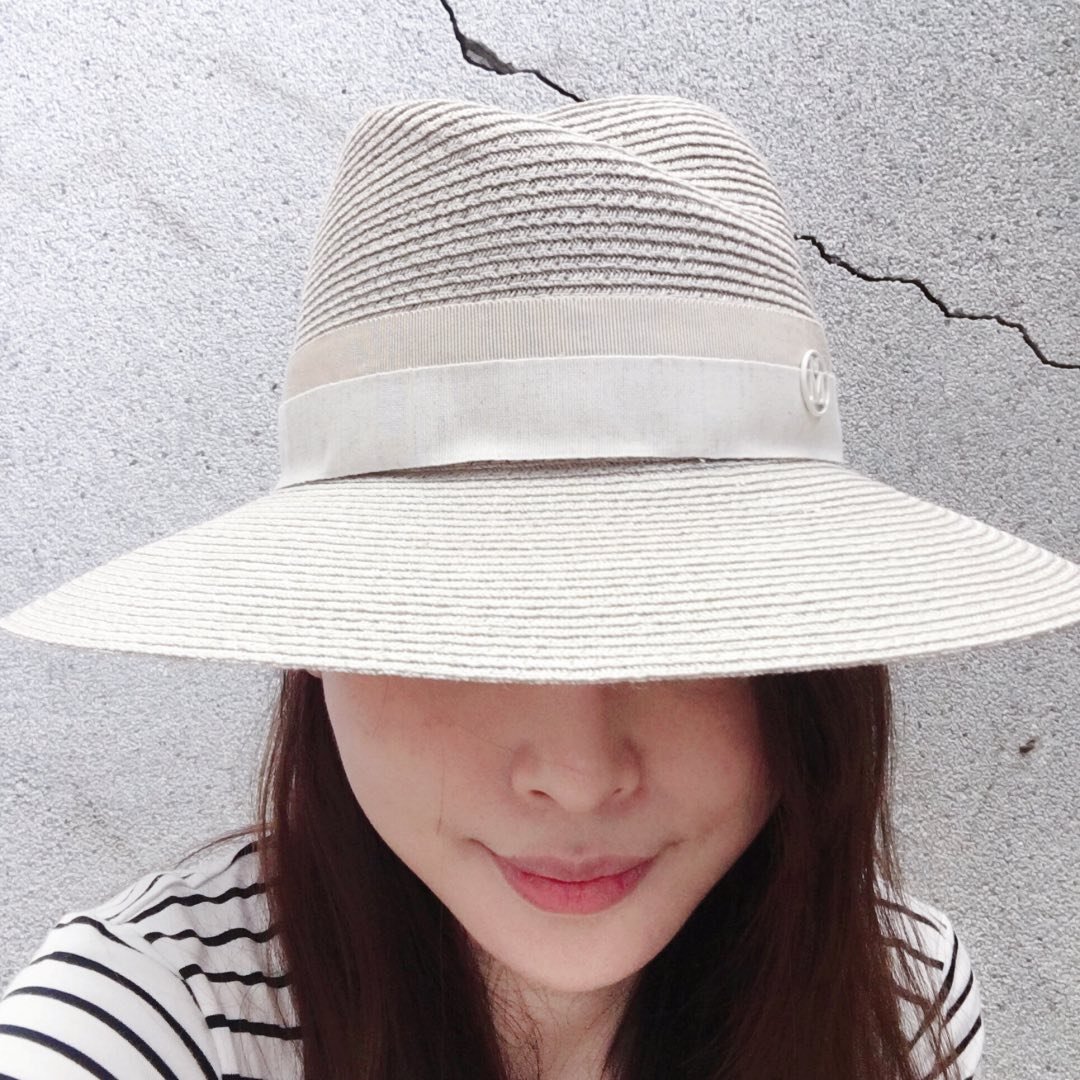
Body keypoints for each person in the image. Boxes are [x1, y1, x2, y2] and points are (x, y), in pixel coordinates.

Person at [1, 92, 1076, 1080]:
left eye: (691, 624)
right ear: (310, 638)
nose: (579, 775)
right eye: (461, 627)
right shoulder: (141, 1027)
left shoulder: (902, 1000)